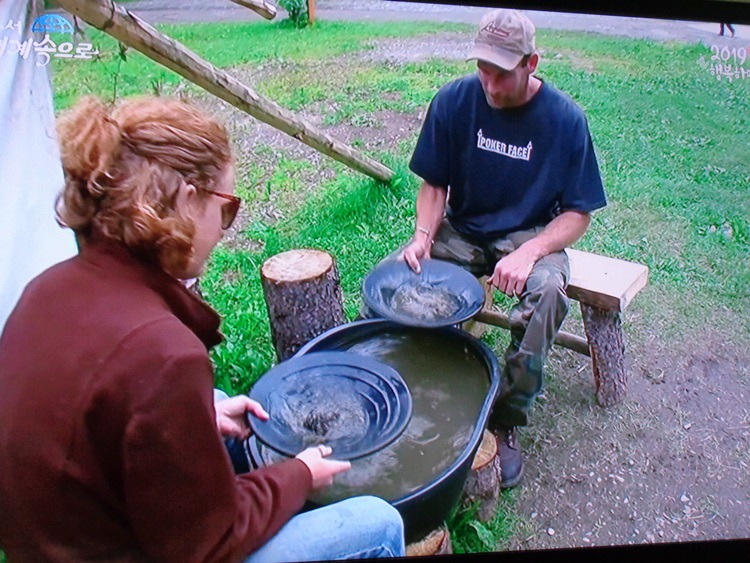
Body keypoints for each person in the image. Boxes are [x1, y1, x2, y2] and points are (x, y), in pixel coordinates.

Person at [0, 96, 405, 561]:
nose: (225, 228)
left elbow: (101, 416)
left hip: (52, 537)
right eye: (227, 209)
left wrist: (195, 423)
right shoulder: (163, 355)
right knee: (376, 524)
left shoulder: (44, 289)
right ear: (188, 202)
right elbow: (206, 545)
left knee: (210, 403)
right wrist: (297, 475)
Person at [395, 9, 607, 488]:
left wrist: (530, 252)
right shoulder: (453, 101)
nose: (489, 84)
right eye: (481, 70)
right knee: (397, 277)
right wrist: (423, 237)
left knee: (550, 293)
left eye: (501, 73)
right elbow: (434, 183)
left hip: (531, 233)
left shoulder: (566, 120)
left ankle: (506, 415)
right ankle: (419, 381)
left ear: (531, 63)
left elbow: (578, 214)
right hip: (464, 228)